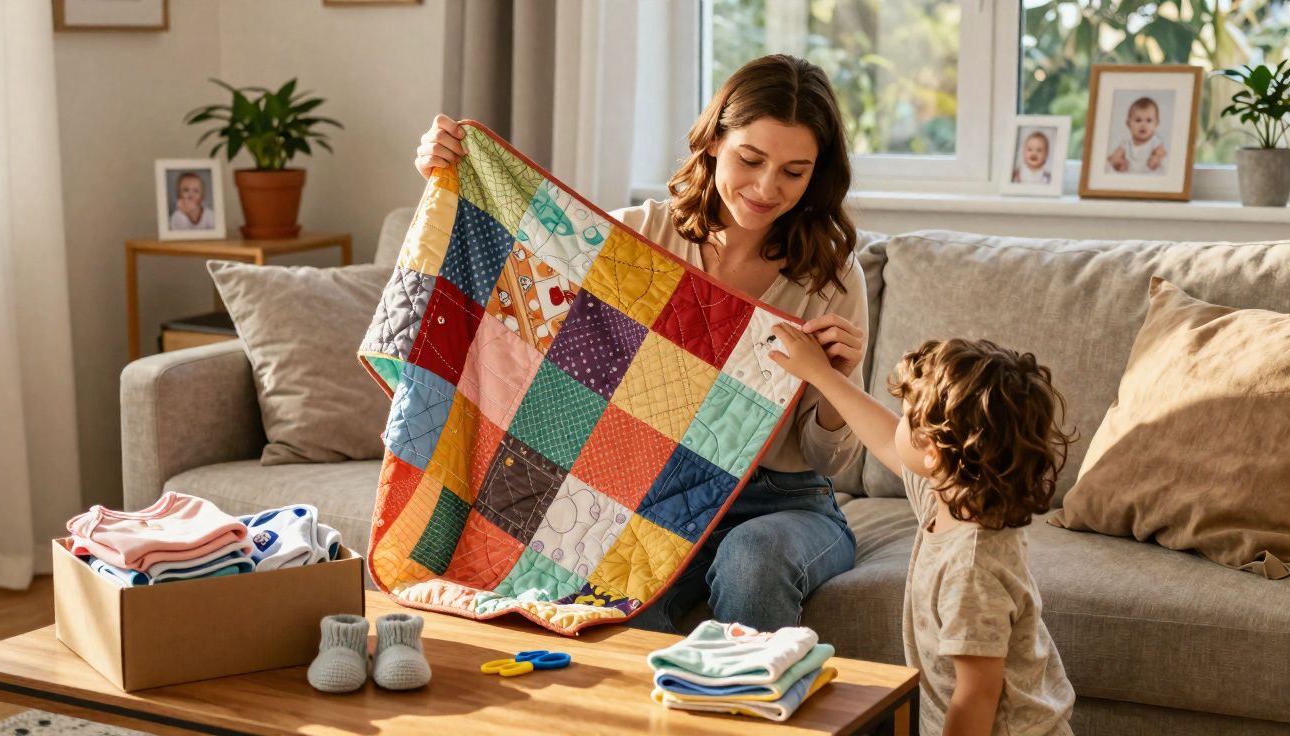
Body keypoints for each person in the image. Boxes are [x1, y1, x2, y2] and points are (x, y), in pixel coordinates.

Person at [414, 54, 867, 634]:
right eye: (750, 160)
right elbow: (516, 271)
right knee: (611, 596)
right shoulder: (640, 240)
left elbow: (829, 461)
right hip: (655, 494)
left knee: (753, 560)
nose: (766, 187)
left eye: (793, 172)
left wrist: (835, 381)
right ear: (712, 143)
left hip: (783, 500)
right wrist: (447, 176)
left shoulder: (829, 275)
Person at [770, 329, 1076, 735]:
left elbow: (977, 695)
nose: (897, 422)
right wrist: (823, 375)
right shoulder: (953, 497)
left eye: (906, 415)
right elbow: (884, 437)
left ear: (934, 451)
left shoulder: (972, 566)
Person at [1107, 96, 1167, 174]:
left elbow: (1163, 153)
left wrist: (1156, 158)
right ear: (1128, 124)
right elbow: (1112, 157)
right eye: (1138, 120)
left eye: (1149, 120)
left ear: (1156, 124)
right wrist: (1118, 162)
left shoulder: (1154, 142)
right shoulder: (1126, 144)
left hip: (1149, 178)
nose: (1143, 125)